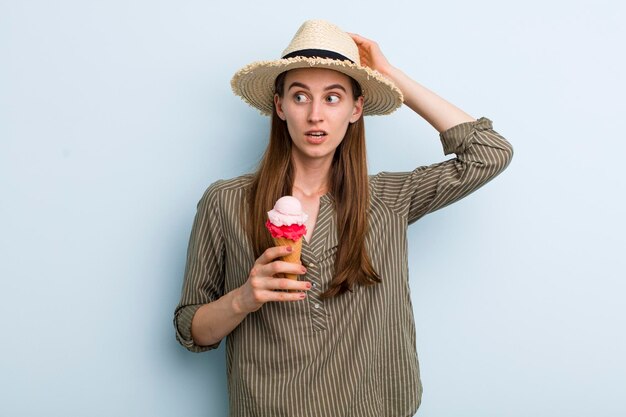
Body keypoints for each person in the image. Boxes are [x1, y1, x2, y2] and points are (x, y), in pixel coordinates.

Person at [174, 19, 513, 417]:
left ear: (356, 109)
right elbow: (191, 329)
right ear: (280, 107)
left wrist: (390, 77)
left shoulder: (389, 199)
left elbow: (489, 153)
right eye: (300, 97)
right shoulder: (225, 202)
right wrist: (243, 299)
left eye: (333, 98)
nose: (316, 114)